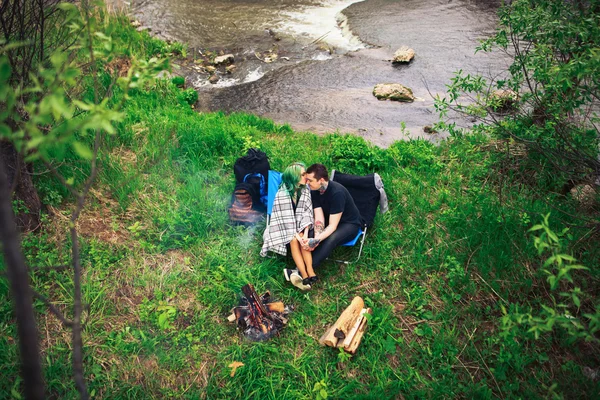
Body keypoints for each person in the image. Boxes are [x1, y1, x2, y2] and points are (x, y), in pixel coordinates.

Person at [260, 162, 317, 290]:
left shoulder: (305, 190)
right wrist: (297, 235)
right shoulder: (282, 195)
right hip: (284, 228)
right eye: (303, 174)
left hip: (301, 227)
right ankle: (304, 274)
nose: (306, 177)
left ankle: (310, 270)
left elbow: (307, 213)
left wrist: (305, 233)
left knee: (303, 237)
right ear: (294, 177)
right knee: (293, 239)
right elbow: (285, 221)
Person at [301, 164, 361, 269]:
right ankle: (301, 264)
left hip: (349, 224)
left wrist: (317, 241)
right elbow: (319, 217)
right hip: (330, 219)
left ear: (321, 180)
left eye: (310, 180)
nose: (307, 183)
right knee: (311, 233)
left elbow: (333, 226)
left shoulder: (337, 193)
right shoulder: (314, 190)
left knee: (330, 239)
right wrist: (316, 238)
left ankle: (303, 272)